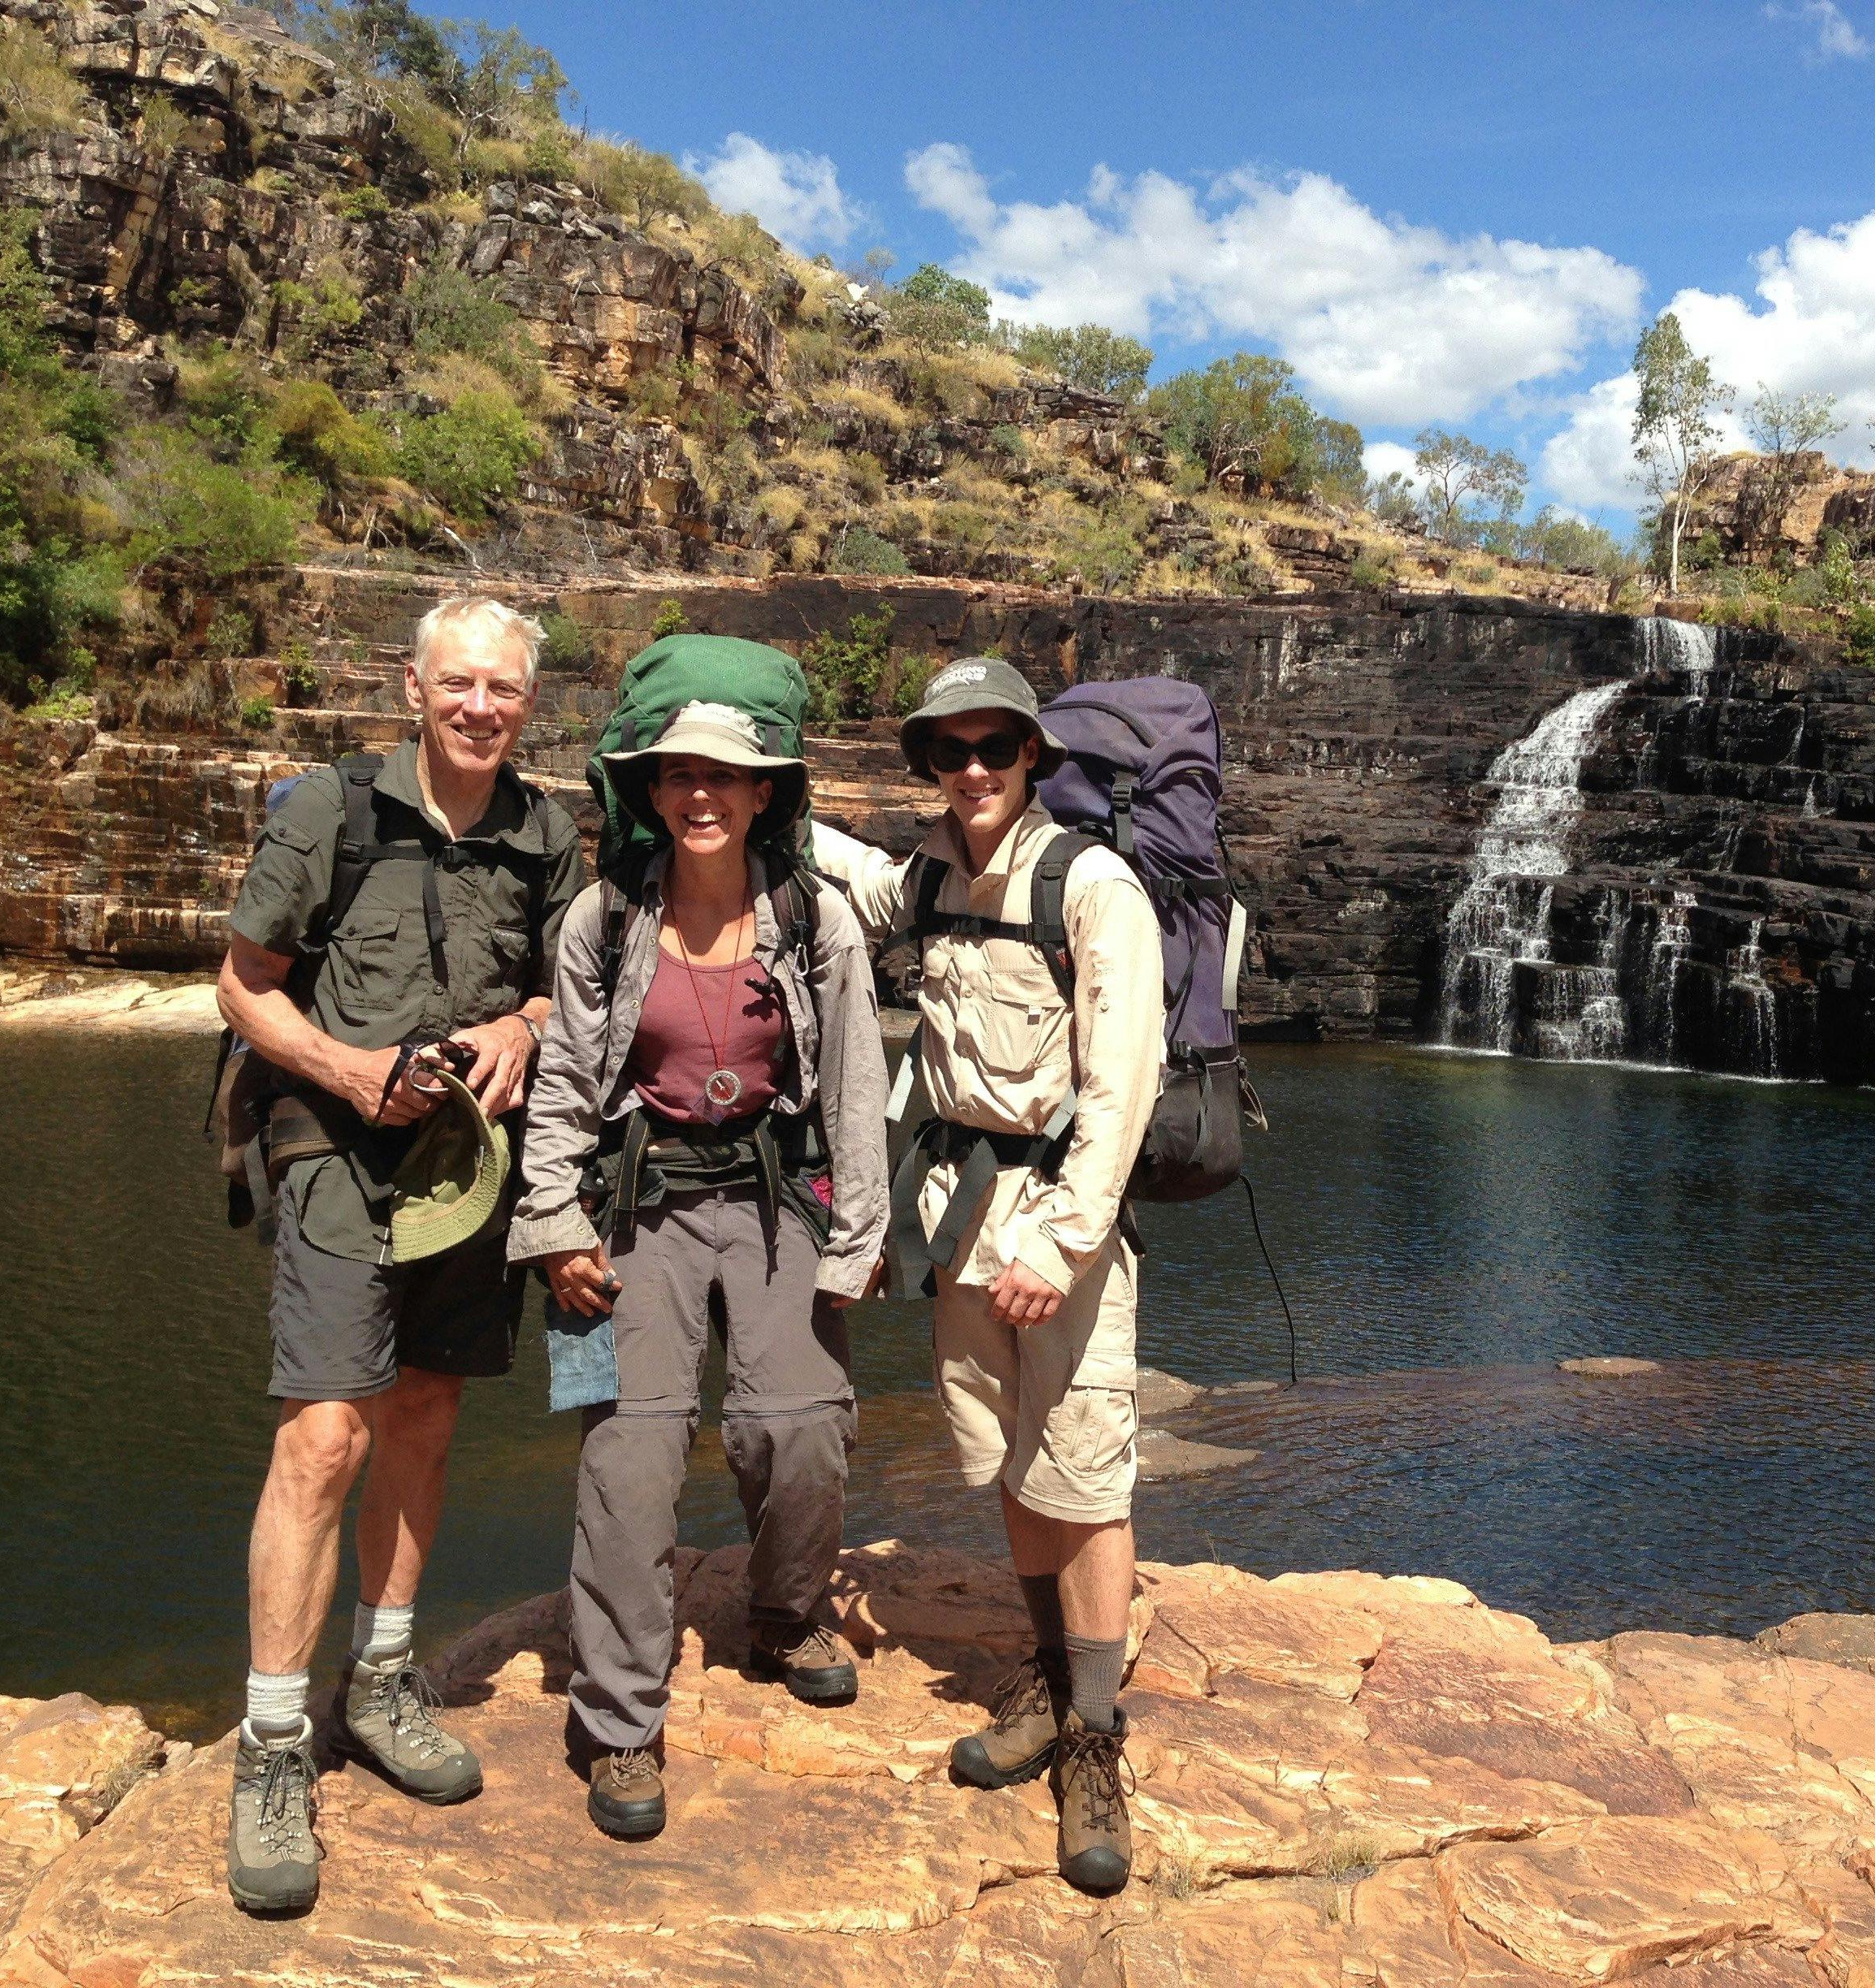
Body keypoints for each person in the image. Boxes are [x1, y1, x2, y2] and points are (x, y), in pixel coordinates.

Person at [213, 596, 586, 1914]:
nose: (482, 708)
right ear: (414, 687)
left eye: (507, 691)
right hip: (333, 1145)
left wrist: (525, 1032)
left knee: (423, 1414)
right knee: (326, 1436)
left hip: (465, 1163)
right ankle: (270, 1749)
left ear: (526, 706)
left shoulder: (547, 832)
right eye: (461, 685)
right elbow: (241, 981)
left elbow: (562, 983)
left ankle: (380, 1683)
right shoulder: (326, 812)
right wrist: (342, 1066)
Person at [809, 657, 1164, 1895]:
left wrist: (1066, 1241)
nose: (970, 772)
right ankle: (1047, 1678)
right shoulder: (934, 882)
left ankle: (1097, 1738)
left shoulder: (1092, 885)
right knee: (1010, 1458)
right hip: (958, 1215)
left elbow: (1124, 1084)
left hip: (1055, 1218)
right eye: (945, 754)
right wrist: (738, 787)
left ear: (1031, 755)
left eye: (993, 750)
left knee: (1086, 1469)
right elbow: (841, 869)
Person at [508, 698, 888, 1842]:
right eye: (679, 776)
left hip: (778, 1196)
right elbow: (568, 1078)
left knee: (802, 1425)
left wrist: (861, 1232)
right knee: (628, 1450)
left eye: (728, 777)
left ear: (766, 791)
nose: (703, 795)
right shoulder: (604, 917)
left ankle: (784, 1614)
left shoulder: (814, 917)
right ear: (652, 792)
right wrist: (552, 1224)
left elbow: (858, 1079)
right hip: (636, 1202)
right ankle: (620, 1720)